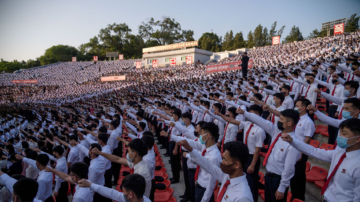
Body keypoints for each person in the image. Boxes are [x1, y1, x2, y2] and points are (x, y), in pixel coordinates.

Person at [281, 118, 360, 202]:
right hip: (327, 198)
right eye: (339, 133)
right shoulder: (339, 154)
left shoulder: (357, 164)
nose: (340, 136)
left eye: (344, 134)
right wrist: (292, 141)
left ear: (357, 138)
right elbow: (314, 151)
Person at [237, 108, 301, 202]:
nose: (278, 121)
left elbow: (289, 169)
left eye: (281, 120)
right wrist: (245, 113)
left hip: (278, 180)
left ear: (289, 123)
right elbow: (261, 121)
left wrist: (282, 188)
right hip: (268, 176)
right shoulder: (277, 132)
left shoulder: (293, 144)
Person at [178, 140, 253, 202]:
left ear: (236, 165)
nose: (222, 162)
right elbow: (207, 165)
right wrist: (190, 149)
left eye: (225, 159)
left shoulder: (243, 197)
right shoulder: (227, 177)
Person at [78, 174, 151, 202]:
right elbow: (111, 193)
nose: (123, 194)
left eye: (124, 192)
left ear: (130, 194)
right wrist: (90, 185)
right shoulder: (139, 198)